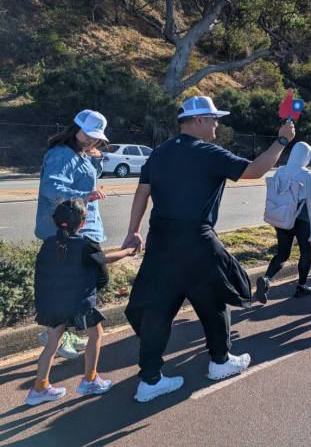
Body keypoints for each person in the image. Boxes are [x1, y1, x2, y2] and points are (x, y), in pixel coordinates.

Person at [122, 96, 295, 403]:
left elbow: (142, 191)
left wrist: (133, 231)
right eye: (214, 118)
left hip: (161, 240)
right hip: (196, 239)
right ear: (199, 120)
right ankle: (220, 361)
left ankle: (149, 379)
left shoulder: (160, 152)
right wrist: (282, 140)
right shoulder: (207, 152)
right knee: (214, 299)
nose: (218, 124)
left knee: (156, 310)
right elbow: (255, 170)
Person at [26, 199, 136, 406]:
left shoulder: (48, 244)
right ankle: (90, 379)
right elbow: (104, 260)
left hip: (52, 302)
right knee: (96, 334)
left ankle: (39, 388)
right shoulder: (86, 245)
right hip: (78, 302)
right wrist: (129, 251)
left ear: (57, 222)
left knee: (52, 344)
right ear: (83, 222)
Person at [35, 110, 109, 360]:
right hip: (65, 229)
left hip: (80, 227)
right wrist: (83, 195)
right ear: (75, 128)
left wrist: (94, 158)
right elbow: (51, 188)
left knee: (77, 284)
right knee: (73, 285)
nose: (91, 140)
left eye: (96, 138)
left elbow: (86, 179)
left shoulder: (79, 153)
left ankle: (62, 331)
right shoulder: (61, 154)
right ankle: (54, 333)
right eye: (87, 135)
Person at [255, 142, 311, 304]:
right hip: (301, 219)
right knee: (305, 252)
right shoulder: (307, 175)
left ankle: (267, 279)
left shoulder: (281, 171)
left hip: (283, 218)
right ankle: (301, 286)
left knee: (282, 253)